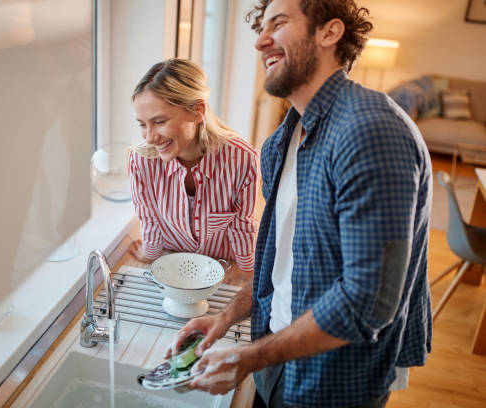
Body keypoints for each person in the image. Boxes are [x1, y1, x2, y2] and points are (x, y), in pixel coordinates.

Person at [166, 1, 433, 407]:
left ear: (329, 33)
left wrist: (248, 357)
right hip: (277, 355)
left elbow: (367, 304)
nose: (260, 41)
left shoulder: (372, 131)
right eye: (261, 27)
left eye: (279, 23)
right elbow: (282, 266)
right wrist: (227, 317)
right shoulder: (281, 141)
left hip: (337, 379)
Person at [128, 58, 260, 274]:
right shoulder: (141, 160)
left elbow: (242, 225)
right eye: (143, 124)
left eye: (159, 121)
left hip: (221, 265)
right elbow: (149, 217)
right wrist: (150, 254)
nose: (150, 137)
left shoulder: (242, 159)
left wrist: (247, 273)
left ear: (197, 111)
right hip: (171, 261)